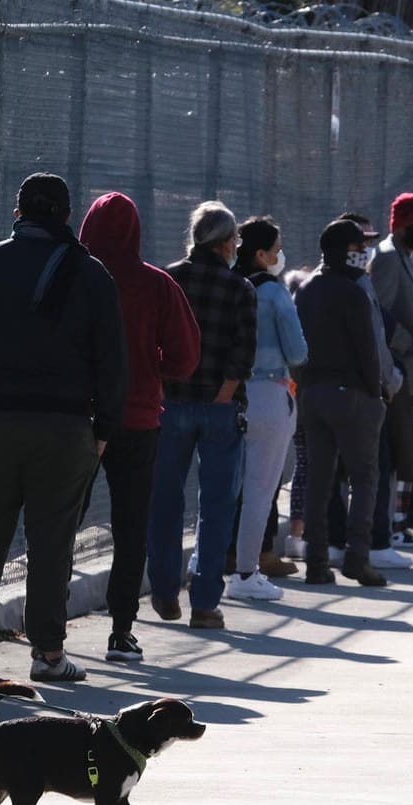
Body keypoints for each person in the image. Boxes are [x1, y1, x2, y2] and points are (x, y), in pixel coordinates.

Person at [0, 173, 127, 680]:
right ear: (65, 215)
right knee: (52, 542)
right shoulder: (91, 273)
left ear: (17, 213)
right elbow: (112, 361)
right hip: (63, 426)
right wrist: (104, 427)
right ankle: (49, 653)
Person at [77, 192, 199, 662]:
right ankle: (121, 630)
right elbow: (186, 358)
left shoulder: (74, 278)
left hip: (79, 419)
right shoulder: (156, 284)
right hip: (139, 418)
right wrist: (150, 365)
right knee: (130, 527)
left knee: (60, 521)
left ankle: (47, 629)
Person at [153, 202, 256, 630]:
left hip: (170, 401)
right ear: (226, 242)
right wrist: (223, 396)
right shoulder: (239, 288)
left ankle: (162, 591)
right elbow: (242, 353)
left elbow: (154, 341)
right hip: (219, 406)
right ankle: (205, 602)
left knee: (164, 500)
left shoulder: (169, 279)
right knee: (216, 507)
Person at [295, 219, 389, 588]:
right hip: (351, 393)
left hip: (313, 393)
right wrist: (376, 394)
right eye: (357, 246)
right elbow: (368, 350)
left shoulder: (306, 290)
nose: (363, 253)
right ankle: (357, 558)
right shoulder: (353, 292)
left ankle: (316, 564)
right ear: (343, 251)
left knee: (319, 482)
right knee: (364, 478)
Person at [227, 216, 307, 601]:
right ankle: (246, 571)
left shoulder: (229, 285)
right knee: (261, 489)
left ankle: (204, 563)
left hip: (227, 391)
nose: (279, 256)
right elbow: (298, 351)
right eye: (276, 250)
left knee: (221, 485)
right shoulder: (274, 293)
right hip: (270, 391)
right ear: (261, 254)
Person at [370, 194, 413, 548]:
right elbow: (377, 310)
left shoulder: (404, 256)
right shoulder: (386, 258)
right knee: (398, 448)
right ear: (401, 225)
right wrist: (408, 345)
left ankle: (397, 520)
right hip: (400, 367)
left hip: (411, 367)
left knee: (407, 449)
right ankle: (392, 524)